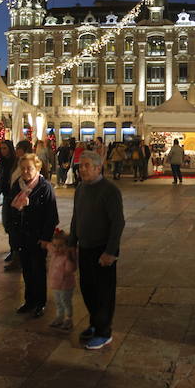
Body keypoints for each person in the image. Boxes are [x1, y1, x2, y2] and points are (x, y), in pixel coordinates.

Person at [68, 150, 125, 350]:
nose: (81, 169)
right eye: (80, 165)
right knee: (88, 288)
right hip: (85, 247)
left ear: (98, 168)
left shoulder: (109, 190)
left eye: (86, 166)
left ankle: (104, 331)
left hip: (102, 249)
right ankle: (95, 323)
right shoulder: (81, 188)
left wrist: (111, 251)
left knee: (104, 292)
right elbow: (76, 217)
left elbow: (118, 223)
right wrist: (71, 243)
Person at [10, 153, 59, 317]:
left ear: (37, 167)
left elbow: (51, 216)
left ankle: (40, 302)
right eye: (22, 168)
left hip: (38, 236)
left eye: (29, 168)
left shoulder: (44, 187)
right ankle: (29, 300)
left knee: (38, 270)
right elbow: (11, 211)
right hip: (22, 235)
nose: (25, 172)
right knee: (26, 270)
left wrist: (46, 238)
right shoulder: (17, 186)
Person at [0, 140, 18, 265]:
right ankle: (13, 248)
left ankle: (14, 250)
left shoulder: (15, 162)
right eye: (1, 148)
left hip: (15, 196)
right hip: (6, 195)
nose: (3, 151)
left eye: (5, 148)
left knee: (12, 224)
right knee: (7, 223)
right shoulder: (1, 163)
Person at [47, 229, 77, 330]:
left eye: (60, 246)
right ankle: (59, 317)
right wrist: (46, 242)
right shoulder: (54, 253)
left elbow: (70, 269)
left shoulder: (66, 257)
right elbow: (49, 246)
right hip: (55, 284)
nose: (57, 248)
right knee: (58, 302)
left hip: (65, 286)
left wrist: (70, 257)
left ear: (67, 247)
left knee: (66, 302)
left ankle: (68, 319)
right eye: (55, 246)